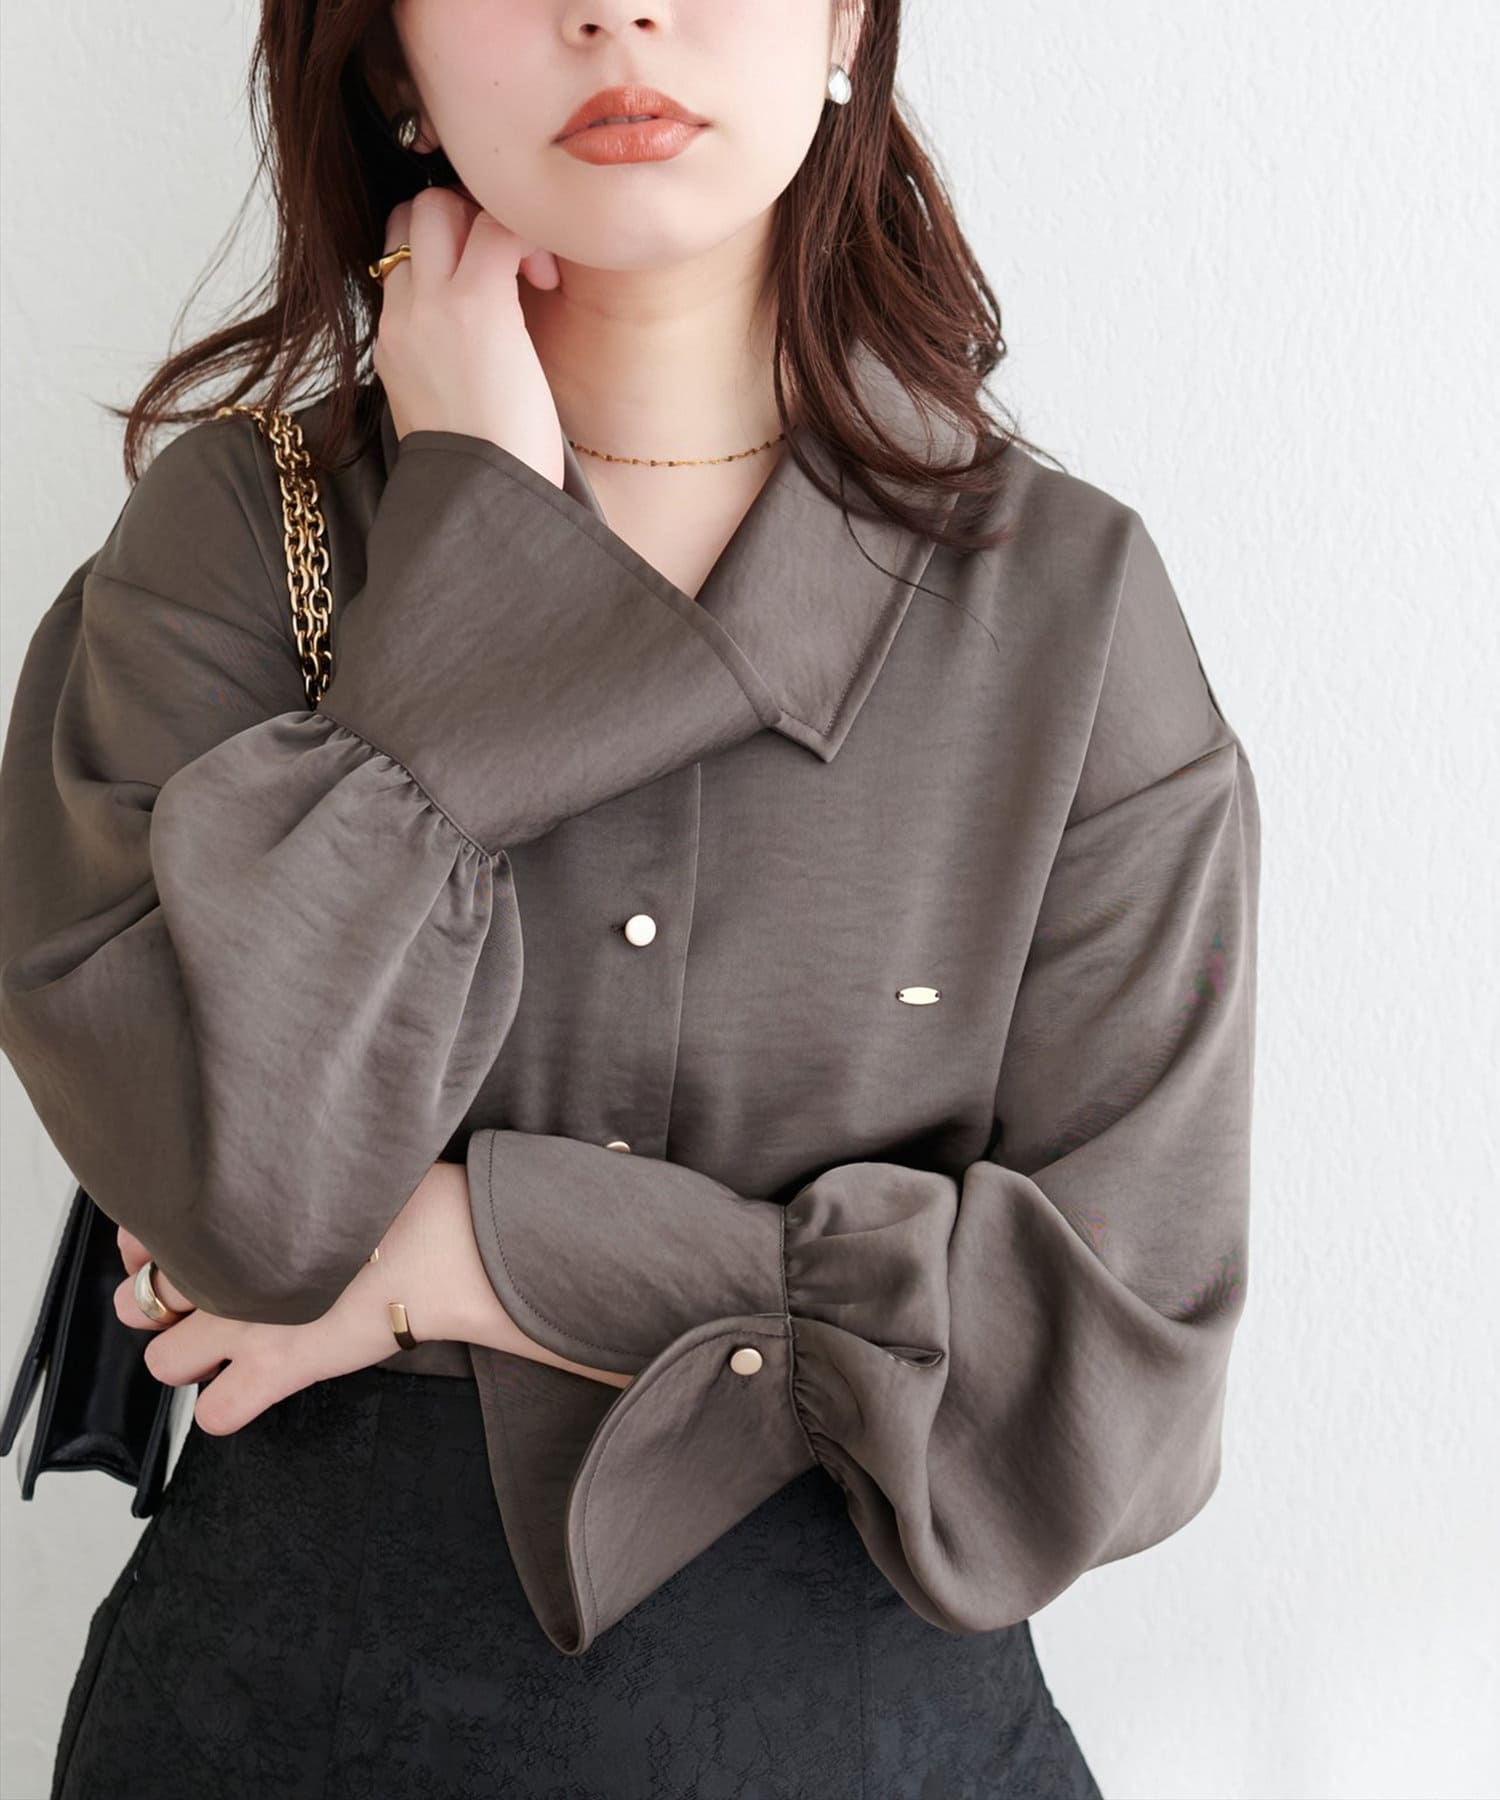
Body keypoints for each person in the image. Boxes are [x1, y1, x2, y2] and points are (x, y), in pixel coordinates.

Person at [0, 0, 1261, 1794]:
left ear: (845, 21)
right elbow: (249, 1210)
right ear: (391, 62)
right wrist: (471, 558)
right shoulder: (229, 547)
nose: (615, 12)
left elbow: (1116, 1407)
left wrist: (479, 1256)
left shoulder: (1070, 613)